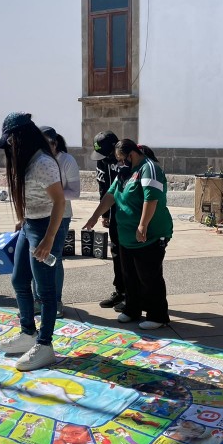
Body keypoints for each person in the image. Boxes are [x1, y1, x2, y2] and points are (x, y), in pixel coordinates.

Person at [0, 112, 66, 371]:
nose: (10, 148)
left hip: (46, 226)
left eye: (11, 141)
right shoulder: (26, 161)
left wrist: (48, 239)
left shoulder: (43, 163)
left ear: (22, 137)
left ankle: (45, 345)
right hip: (30, 224)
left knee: (45, 291)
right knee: (18, 279)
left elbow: (60, 201)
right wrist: (21, 218)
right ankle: (28, 333)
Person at [83, 139, 173, 330]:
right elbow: (110, 195)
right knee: (129, 276)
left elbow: (151, 198)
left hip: (150, 235)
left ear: (131, 155)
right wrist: (94, 217)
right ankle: (132, 309)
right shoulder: (124, 172)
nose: (119, 163)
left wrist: (142, 225)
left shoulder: (149, 168)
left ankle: (157, 315)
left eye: (121, 159)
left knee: (149, 276)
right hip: (126, 237)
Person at [37, 126, 81, 319]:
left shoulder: (67, 160)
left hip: (61, 215)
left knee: (53, 257)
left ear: (56, 143)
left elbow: (75, 192)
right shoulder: (36, 160)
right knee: (36, 257)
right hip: (37, 215)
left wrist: (54, 196)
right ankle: (38, 299)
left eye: (50, 145)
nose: (46, 149)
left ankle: (56, 300)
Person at [90, 131, 128, 311]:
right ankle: (120, 291)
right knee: (116, 253)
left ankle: (133, 294)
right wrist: (104, 214)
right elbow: (103, 186)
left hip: (129, 216)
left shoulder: (127, 157)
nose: (104, 158)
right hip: (113, 215)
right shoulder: (102, 160)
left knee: (129, 254)